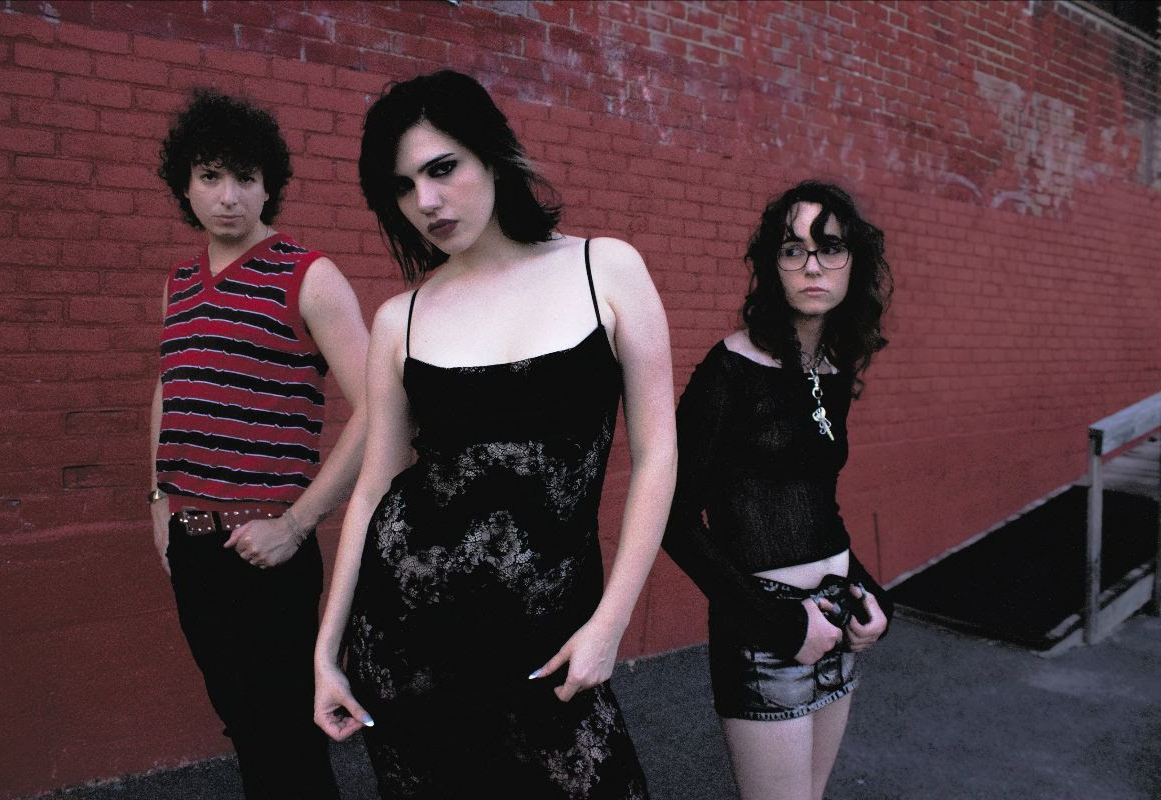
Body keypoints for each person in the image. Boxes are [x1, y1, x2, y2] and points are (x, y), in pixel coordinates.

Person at [312, 70, 676, 799]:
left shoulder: (604, 268)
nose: (426, 202)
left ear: (493, 155)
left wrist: (611, 623)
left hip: (549, 644)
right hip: (406, 647)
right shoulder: (400, 319)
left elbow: (658, 453)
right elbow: (375, 490)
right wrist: (327, 648)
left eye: (442, 169)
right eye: (403, 187)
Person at [151, 89, 370, 799]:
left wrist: (297, 524)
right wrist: (158, 502)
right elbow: (170, 388)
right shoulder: (180, 284)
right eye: (210, 176)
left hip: (269, 552)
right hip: (192, 545)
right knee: (245, 730)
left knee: (288, 746)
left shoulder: (309, 275)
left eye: (245, 177)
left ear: (269, 183)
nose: (229, 196)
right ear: (185, 185)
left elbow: (380, 410)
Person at [662, 181, 894, 800]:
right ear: (773, 266)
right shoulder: (728, 370)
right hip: (765, 631)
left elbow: (817, 503)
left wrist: (870, 592)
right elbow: (672, 518)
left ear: (855, 263)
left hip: (835, 620)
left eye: (830, 247)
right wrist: (776, 625)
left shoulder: (832, 371)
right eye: (794, 250)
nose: (813, 266)